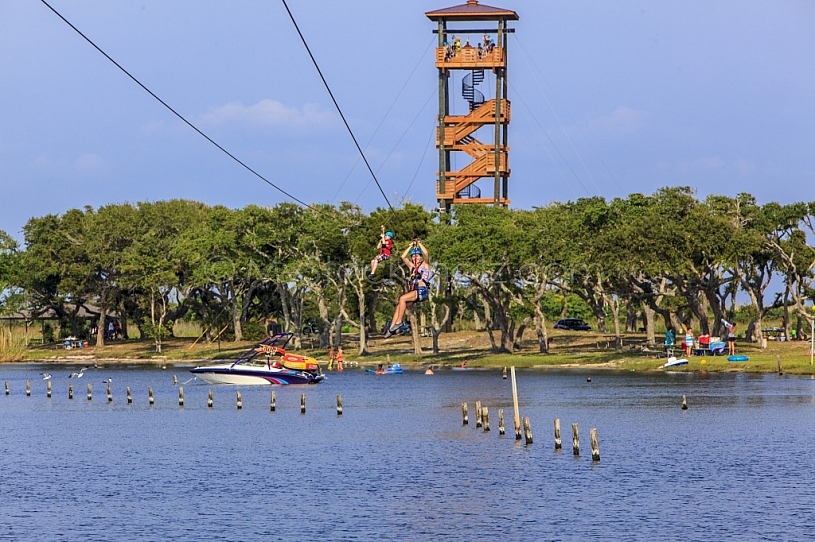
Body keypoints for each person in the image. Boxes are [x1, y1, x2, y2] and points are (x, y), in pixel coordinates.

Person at [383, 240, 430, 338]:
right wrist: (411, 246)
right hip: (415, 291)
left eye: (417, 256)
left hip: (422, 291)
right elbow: (403, 257)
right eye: (413, 256)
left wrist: (419, 243)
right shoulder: (412, 267)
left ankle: (399, 322)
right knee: (399, 306)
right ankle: (391, 329)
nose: (415, 257)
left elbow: (426, 253)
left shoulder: (425, 265)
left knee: (402, 298)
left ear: (420, 257)